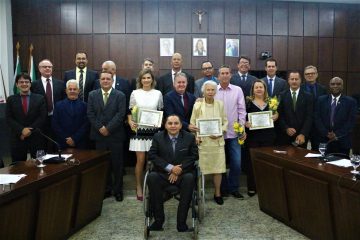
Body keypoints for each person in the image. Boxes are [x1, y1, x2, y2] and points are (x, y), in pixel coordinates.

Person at [147, 114, 198, 232]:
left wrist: (178, 170)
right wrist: (170, 168)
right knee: (151, 177)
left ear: (181, 125)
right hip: (163, 174)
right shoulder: (158, 137)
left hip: (183, 174)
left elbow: (194, 156)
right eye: (170, 123)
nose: (173, 126)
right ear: (165, 125)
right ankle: (158, 221)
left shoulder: (189, 137)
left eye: (176, 123)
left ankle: (181, 224)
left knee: (190, 178)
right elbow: (152, 155)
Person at [87, 71, 126, 202]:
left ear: (112, 80)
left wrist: (108, 128)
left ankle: (118, 190)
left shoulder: (120, 95)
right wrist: (100, 128)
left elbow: (121, 114)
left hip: (115, 135)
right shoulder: (92, 95)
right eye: (103, 79)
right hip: (99, 136)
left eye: (108, 79)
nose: (105, 81)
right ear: (99, 81)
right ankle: (106, 189)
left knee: (117, 165)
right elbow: (90, 114)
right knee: (103, 164)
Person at [127, 69, 163, 201]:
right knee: (140, 161)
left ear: (152, 80)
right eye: (144, 78)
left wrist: (159, 122)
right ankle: (139, 187)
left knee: (153, 161)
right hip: (139, 132)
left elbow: (160, 111)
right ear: (140, 80)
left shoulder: (158, 93)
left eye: (149, 78)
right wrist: (131, 123)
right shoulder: (135, 93)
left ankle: (153, 187)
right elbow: (130, 112)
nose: (146, 80)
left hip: (153, 132)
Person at [190, 81, 228, 205]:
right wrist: (196, 135)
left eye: (212, 90)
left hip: (217, 142)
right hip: (203, 143)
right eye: (208, 90)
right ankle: (201, 193)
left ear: (215, 91)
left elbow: (225, 121)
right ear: (204, 91)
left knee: (218, 169)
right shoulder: (197, 106)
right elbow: (192, 123)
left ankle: (217, 193)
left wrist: (220, 131)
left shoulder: (220, 104)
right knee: (202, 170)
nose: (210, 92)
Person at [214, 65, 246, 199]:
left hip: (234, 133)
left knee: (236, 163)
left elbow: (242, 110)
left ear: (230, 75)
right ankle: (223, 188)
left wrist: (242, 127)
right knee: (220, 163)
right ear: (218, 76)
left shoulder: (237, 90)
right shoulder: (212, 89)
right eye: (222, 73)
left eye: (227, 73)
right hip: (217, 133)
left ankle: (234, 188)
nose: (225, 75)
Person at [244, 79, 278, 197]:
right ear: (253, 90)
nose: (259, 89)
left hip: (268, 137)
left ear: (265, 89)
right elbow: (242, 118)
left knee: (267, 163)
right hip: (253, 138)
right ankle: (252, 187)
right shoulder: (247, 103)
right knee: (252, 162)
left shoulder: (272, 102)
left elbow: (277, 114)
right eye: (256, 87)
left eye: (261, 87)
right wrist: (245, 123)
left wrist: (276, 116)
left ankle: (266, 187)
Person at [6, 73, 47, 163]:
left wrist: (29, 130)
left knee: (39, 166)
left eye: (26, 82)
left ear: (30, 84)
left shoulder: (40, 98)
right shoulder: (11, 99)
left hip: (36, 138)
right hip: (18, 138)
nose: (24, 84)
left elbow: (42, 117)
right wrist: (22, 130)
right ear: (17, 84)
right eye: (21, 82)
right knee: (17, 167)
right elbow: (9, 118)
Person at [314, 77, 357, 155]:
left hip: (342, 141)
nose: (335, 86)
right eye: (333, 84)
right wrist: (326, 133)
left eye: (338, 84)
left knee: (340, 166)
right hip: (324, 140)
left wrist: (337, 134)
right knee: (322, 165)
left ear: (342, 86)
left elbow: (351, 121)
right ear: (329, 86)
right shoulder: (321, 100)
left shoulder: (351, 102)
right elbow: (317, 118)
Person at [30, 59, 65, 152]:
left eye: (49, 67)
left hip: (57, 119)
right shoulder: (33, 85)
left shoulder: (61, 84)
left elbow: (63, 101)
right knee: (42, 146)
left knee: (56, 146)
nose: (47, 68)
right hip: (41, 120)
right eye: (44, 67)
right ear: (39, 69)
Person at [278, 71, 313, 148]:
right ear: (288, 80)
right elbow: (280, 115)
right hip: (285, 135)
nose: (294, 81)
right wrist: (286, 128)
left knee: (300, 159)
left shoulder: (308, 96)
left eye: (296, 79)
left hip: (301, 137)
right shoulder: (282, 95)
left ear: (300, 80)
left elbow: (309, 116)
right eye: (292, 79)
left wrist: (303, 133)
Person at [52, 80, 89, 149]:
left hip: (80, 142)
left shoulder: (85, 106)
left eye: (74, 89)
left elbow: (86, 124)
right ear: (66, 91)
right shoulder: (58, 105)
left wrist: (74, 138)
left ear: (78, 91)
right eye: (70, 89)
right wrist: (67, 139)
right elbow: (55, 124)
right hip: (63, 142)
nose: (72, 91)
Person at [300, 65, 327, 150]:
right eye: (307, 74)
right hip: (303, 125)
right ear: (304, 76)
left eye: (312, 73)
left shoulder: (323, 89)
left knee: (317, 151)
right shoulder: (299, 88)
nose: (310, 75)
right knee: (301, 151)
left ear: (316, 75)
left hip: (318, 126)